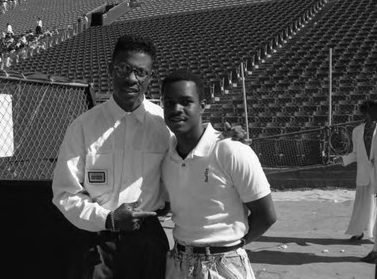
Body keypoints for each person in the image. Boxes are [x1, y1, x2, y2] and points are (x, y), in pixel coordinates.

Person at [52, 34, 171, 279]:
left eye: (140, 72)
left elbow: (194, 162)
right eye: (123, 69)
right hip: (95, 241)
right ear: (110, 69)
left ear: (150, 76)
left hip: (147, 240)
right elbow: (65, 193)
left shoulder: (164, 127)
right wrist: (108, 219)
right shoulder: (83, 126)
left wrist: (228, 142)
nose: (131, 78)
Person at [161, 69, 277, 279]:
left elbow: (266, 215)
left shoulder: (230, 150)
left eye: (186, 102)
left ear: (202, 106)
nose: (176, 109)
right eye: (169, 102)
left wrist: (231, 248)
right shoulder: (167, 155)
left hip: (223, 263)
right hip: (178, 262)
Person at [334, 100, 377, 262]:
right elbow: (356, 153)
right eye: (366, 112)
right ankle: (358, 232)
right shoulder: (357, 131)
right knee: (361, 204)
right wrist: (343, 159)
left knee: (375, 207)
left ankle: (372, 237)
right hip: (364, 174)